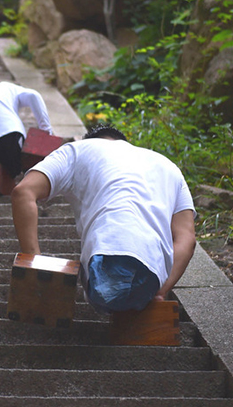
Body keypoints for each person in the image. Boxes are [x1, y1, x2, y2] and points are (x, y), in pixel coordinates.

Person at [10, 124, 196, 312]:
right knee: (128, 294)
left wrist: (35, 264)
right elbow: (187, 238)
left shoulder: (77, 150)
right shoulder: (169, 166)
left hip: (105, 260)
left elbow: (23, 192)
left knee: (106, 289)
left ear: (92, 140)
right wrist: (160, 293)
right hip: (152, 276)